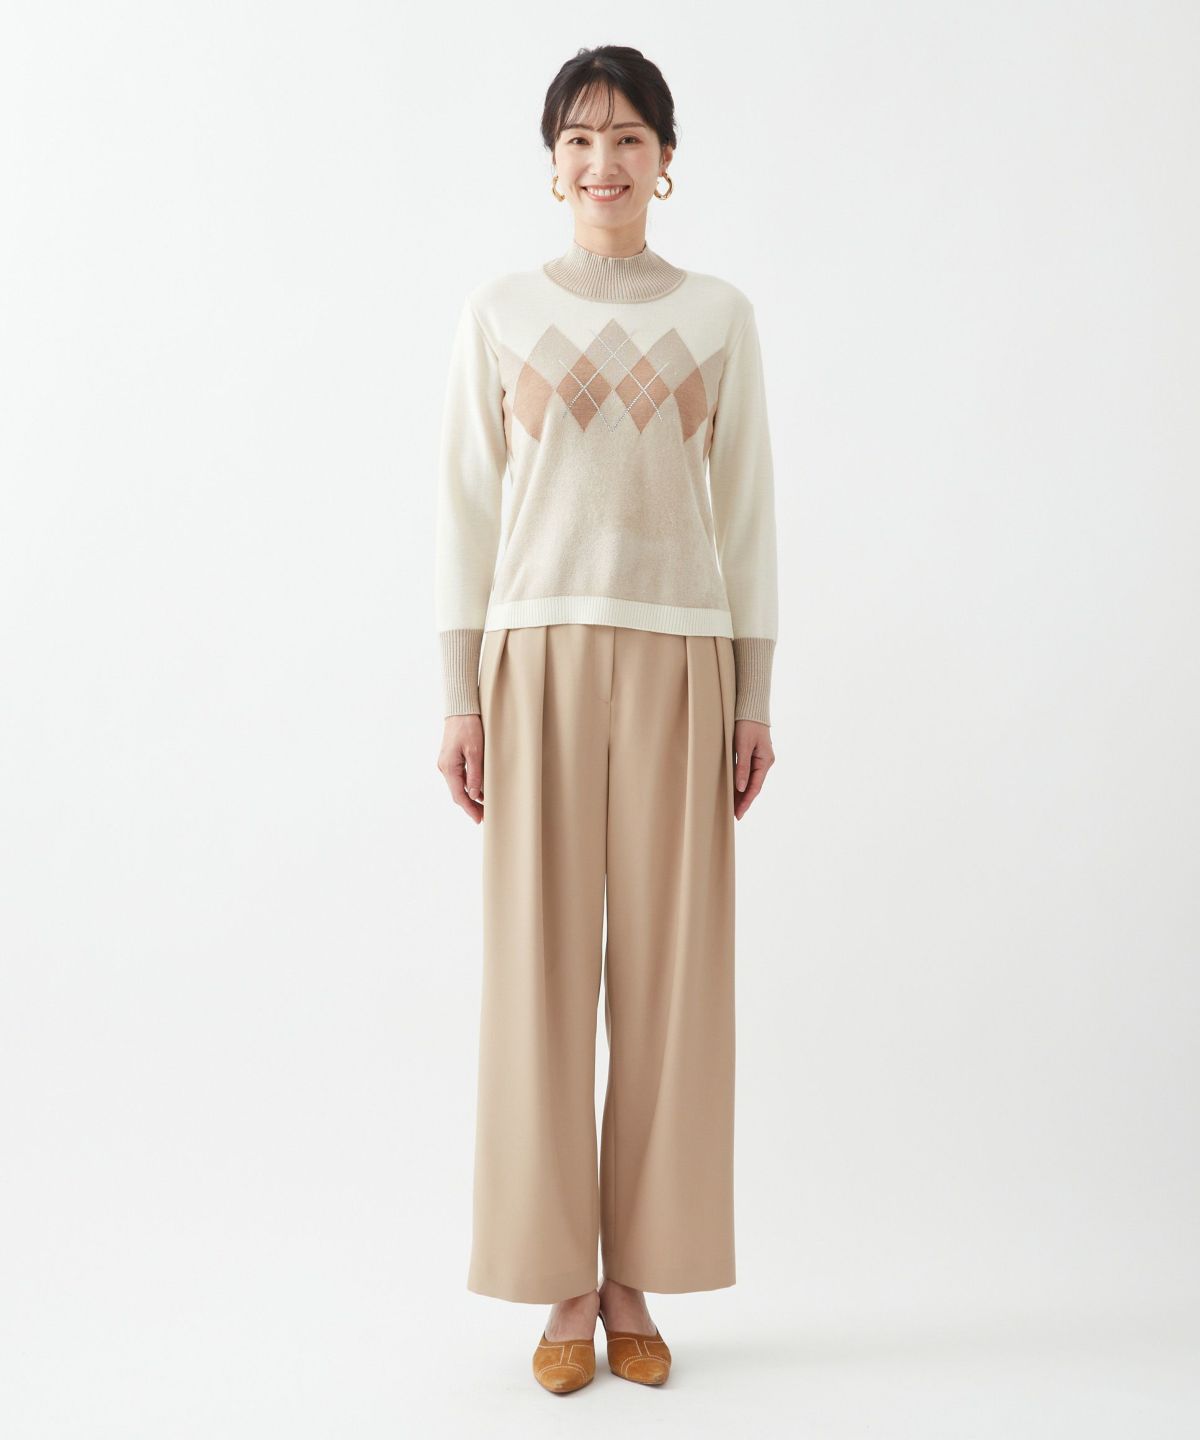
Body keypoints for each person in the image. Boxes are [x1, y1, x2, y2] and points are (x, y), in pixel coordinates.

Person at [434, 44, 779, 1394]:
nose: (604, 161)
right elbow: (466, 511)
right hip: (534, 656)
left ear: (666, 161)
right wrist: (460, 693)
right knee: (536, 972)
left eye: (629, 137)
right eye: (580, 138)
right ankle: (560, 1284)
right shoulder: (502, 313)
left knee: (672, 982)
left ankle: (636, 1274)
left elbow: (747, 517)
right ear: (552, 163)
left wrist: (754, 695)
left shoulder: (719, 317)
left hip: (684, 654)